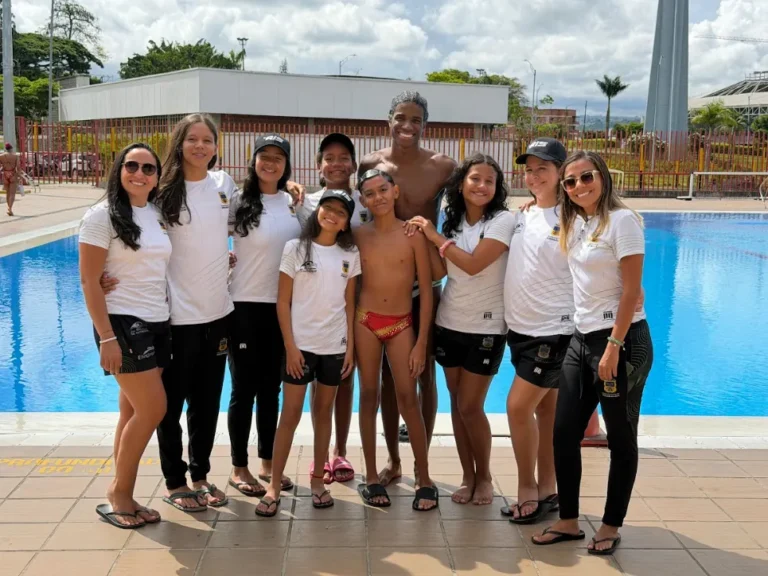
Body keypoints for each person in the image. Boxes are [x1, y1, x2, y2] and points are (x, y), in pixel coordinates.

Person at [533, 151, 653, 555]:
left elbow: (632, 291)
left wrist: (614, 346)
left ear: (602, 177)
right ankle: (568, 521)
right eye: (570, 181)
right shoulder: (577, 223)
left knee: (620, 437)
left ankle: (610, 525)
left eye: (587, 177)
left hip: (622, 342)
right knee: (564, 432)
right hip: (581, 338)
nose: (579, 186)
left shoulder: (623, 221)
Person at [358, 90, 455, 486]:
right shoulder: (371, 163)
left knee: (423, 376)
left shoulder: (442, 166)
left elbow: (474, 198)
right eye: (401, 117)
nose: (407, 126)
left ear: (425, 125)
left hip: (424, 280)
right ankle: (393, 460)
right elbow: (357, 209)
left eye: (416, 120)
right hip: (386, 283)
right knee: (385, 380)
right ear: (389, 120)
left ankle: (421, 462)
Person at [405, 153, 514, 506]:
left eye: (489, 181)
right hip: (449, 323)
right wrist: (420, 239)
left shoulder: (502, 221)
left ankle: (485, 477)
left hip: (486, 327)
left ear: (497, 188)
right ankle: (468, 476)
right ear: (462, 184)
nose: (481, 186)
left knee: (470, 406)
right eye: (475, 179)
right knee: (457, 404)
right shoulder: (452, 224)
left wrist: (433, 236)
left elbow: (473, 264)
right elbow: (442, 271)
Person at [79, 143, 169, 528]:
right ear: (119, 170)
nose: (139, 173)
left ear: (157, 177)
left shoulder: (156, 213)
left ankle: (124, 492)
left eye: (148, 168)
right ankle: (119, 492)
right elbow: (89, 280)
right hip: (122, 321)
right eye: (132, 165)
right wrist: (106, 337)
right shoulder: (101, 216)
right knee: (153, 409)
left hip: (159, 320)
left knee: (132, 411)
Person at [255, 190, 360, 517]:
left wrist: (350, 348)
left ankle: (317, 481)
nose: (332, 214)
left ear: (345, 223)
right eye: (327, 208)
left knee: (324, 414)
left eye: (340, 212)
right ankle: (274, 485)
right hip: (300, 348)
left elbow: (350, 304)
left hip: (334, 347)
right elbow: (282, 301)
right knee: (290, 414)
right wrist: (290, 347)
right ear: (317, 212)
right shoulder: (296, 248)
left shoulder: (350, 253)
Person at [354, 168, 438, 511]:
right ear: (363, 201)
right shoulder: (358, 235)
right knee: (368, 394)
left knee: (408, 399)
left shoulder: (412, 234)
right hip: (365, 321)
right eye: (370, 193)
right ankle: (372, 475)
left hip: (402, 324)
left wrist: (421, 342)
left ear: (396, 191)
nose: (378, 197)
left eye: (383, 190)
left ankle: (425, 477)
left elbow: (427, 291)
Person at [502, 138, 571, 524]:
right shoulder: (524, 215)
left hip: (554, 330)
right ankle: (548, 489)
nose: (533, 176)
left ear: (561, 172)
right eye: (529, 170)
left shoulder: (574, 217)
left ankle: (526, 488)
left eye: (543, 168)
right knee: (546, 412)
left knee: (517, 407)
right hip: (521, 330)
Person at [227, 133, 299, 497]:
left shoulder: (293, 203)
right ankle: (238, 467)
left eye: (278, 157)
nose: (270, 163)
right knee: (244, 389)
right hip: (243, 304)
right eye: (264, 156)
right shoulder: (237, 201)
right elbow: (202, 235)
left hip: (282, 307)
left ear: (287, 165)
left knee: (271, 390)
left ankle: (268, 463)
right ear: (253, 160)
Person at [297, 133, 366, 484]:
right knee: (318, 382)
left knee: (345, 377)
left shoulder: (366, 201)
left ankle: (340, 450)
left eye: (343, 157)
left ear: (353, 164)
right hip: (318, 305)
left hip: (356, 299)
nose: (336, 164)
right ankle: (320, 453)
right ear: (318, 165)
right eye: (329, 158)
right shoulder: (305, 203)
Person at [1, 142, 20, 216]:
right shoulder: (15, 156)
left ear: (6, 149)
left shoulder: (1, 156)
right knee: (12, 193)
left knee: (7, 193)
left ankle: (9, 208)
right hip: (13, 175)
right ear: (11, 149)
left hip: (5, 174)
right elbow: (18, 167)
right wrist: (19, 176)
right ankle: (10, 208)